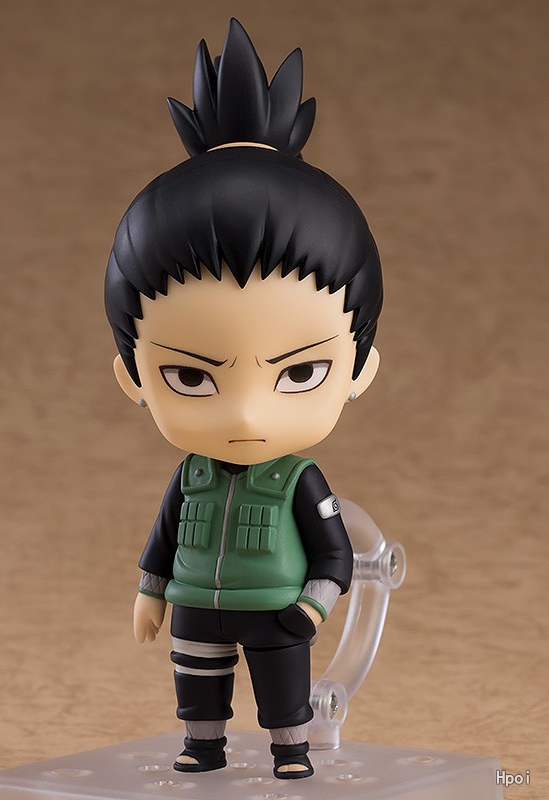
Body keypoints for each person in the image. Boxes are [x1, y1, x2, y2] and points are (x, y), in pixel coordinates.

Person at [104, 18, 383, 780]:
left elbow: (335, 553)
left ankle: (291, 749)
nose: (246, 413)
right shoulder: (190, 475)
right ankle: (203, 744)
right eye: (192, 377)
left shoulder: (299, 481)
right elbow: (163, 539)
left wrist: (311, 608)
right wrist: (150, 594)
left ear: (359, 367)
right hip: (197, 599)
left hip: (277, 606)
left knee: (282, 686)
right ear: (133, 375)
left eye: (299, 372)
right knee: (197, 680)